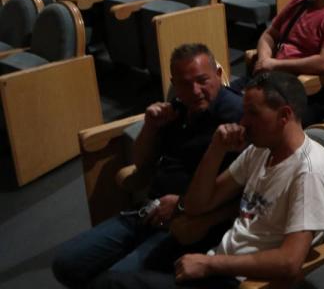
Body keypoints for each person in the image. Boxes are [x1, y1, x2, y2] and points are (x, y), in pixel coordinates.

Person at [93, 71, 324, 288]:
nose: (243, 122)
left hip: (242, 280)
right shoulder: (261, 150)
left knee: (111, 284)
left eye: (252, 113)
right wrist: (216, 149)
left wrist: (211, 264)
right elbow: (197, 204)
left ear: (284, 115)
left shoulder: (309, 171)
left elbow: (289, 262)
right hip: (221, 260)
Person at [53, 44, 243, 288]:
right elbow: (141, 163)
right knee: (65, 263)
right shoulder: (177, 109)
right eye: (185, 84)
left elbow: (240, 184)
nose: (195, 91)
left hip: (187, 225)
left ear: (218, 75)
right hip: (147, 211)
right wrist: (150, 127)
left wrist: (182, 204)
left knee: (109, 283)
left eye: (202, 80)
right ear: (174, 83)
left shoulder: (236, 116)